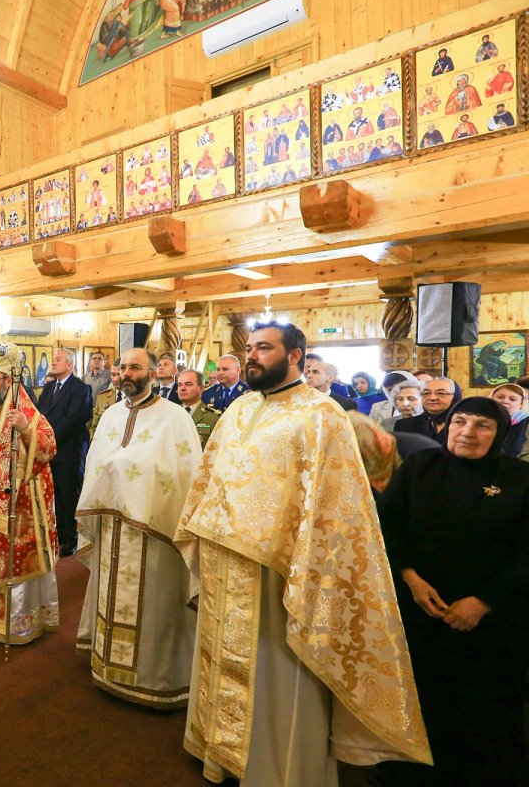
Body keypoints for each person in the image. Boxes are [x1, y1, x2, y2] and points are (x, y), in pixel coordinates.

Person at [175, 321, 431, 785]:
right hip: (224, 558)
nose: (252, 356)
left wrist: (306, 565)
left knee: (274, 671)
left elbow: (336, 505)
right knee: (218, 660)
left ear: (294, 355)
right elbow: (208, 478)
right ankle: (219, 751)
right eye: (250, 348)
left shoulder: (322, 414)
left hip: (281, 569)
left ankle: (273, 770)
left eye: (264, 348)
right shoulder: (238, 409)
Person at [377, 397, 529, 787]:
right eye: (460, 422)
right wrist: (410, 576)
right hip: (421, 612)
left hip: (493, 622)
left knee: (485, 713)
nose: (467, 433)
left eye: (482, 426)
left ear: (500, 434)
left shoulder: (518, 477)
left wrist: (483, 603)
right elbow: (388, 526)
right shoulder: (418, 468)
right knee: (422, 703)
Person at [75, 348, 200, 707]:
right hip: (113, 527)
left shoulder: (175, 419)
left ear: (152, 373)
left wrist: (138, 491)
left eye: (135, 367)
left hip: (153, 530)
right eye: (123, 367)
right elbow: (98, 464)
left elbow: (185, 476)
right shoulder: (112, 414)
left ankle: (153, 678)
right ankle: (108, 667)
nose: (127, 373)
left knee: (153, 602)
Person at [0, 340, 59, 645]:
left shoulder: (27, 414)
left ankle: (18, 623)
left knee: (12, 564)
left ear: (10, 380)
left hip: (20, 507)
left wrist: (27, 429)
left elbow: (49, 447)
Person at [36, 348, 93, 556]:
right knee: (52, 495)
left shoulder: (80, 388)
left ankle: (70, 538)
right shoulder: (49, 387)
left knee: (67, 495)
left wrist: (48, 438)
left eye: (58, 360)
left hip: (69, 451)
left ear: (69, 365)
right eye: (52, 359)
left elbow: (75, 419)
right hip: (49, 451)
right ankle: (56, 535)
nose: (53, 362)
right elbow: (39, 415)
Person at [395, 377, 459, 445]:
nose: (432, 398)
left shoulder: (465, 425)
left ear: (455, 397)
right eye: (426, 393)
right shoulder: (404, 426)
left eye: (441, 393)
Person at [175, 368, 220, 448]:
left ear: (201, 388)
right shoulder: (171, 414)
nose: (182, 388)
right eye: (179, 385)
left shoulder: (214, 418)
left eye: (188, 384)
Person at [490, 383, 528, 457]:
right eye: (500, 397)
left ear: (521, 404)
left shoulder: (526, 423)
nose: (505, 401)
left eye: (512, 399)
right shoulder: (483, 420)